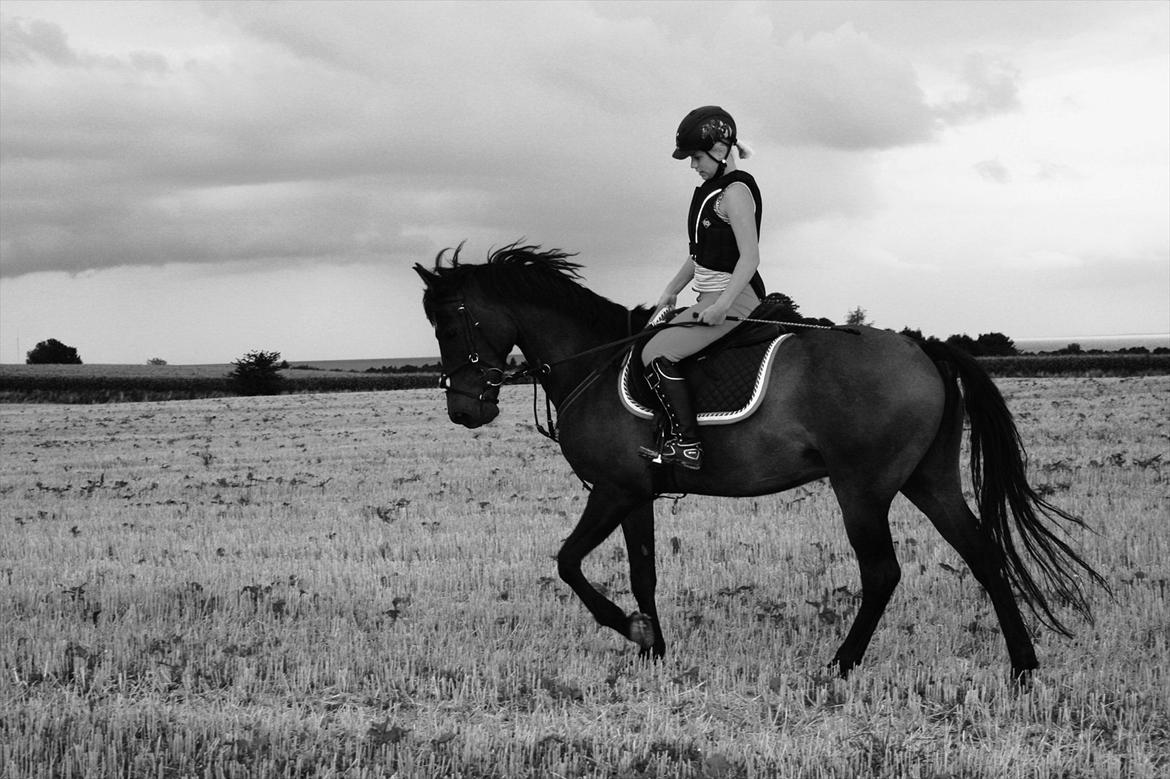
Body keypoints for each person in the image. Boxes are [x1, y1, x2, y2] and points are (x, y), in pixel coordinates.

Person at [638, 106, 765, 471]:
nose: (693, 165)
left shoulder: (736, 192)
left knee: (657, 355)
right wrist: (670, 291)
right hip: (711, 295)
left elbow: (750, 258)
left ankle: (689, 445)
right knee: (648, 339)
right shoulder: (711, 192)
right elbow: (699, 256)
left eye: (696, 157)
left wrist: (723, 305)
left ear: (721, 149)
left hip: (736, 297)